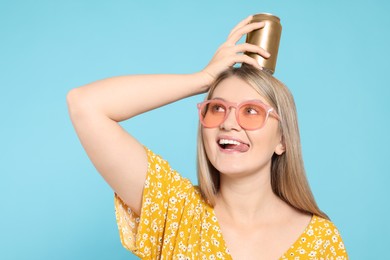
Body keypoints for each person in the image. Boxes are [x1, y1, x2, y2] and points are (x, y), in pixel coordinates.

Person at [67, 15, 348, 259]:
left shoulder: (321, 241)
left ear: (283, 140)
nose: (228, 123)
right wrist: (202, 79)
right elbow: (85, 104)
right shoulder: (175, 209)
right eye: (217, 108)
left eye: (251, 111)